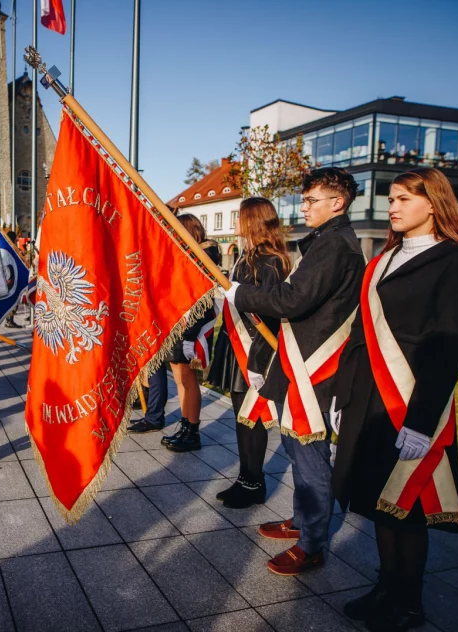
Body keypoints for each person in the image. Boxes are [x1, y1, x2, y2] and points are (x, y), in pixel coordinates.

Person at [332, 168, 458, 632]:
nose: (392, 206)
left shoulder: (457, 261)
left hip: (410, 399)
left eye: (402, 198)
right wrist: (343, 394)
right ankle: (385, 588)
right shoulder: (384, 258)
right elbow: (360, 336)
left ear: (432, 204)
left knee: (408, 506)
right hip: (369, 398)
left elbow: (449, 346)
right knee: (378, 499)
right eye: (391, 198)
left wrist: (421, 421)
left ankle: (409, 602)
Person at [223, 167, 365, 575]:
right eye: (303, 200)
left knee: (310, 456)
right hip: (300, 362)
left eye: (311, 200)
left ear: (337, 202)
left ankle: (312, 544)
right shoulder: (326, 240)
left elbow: (292, 299)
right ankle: (303, 521)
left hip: (315, 366)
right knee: (298, 450)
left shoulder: (335, 244)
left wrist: (239, 293)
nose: (303, 207)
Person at [211, 198, 288, 508]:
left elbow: (271, 312)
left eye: (240, 217)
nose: (235, 223)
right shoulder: (246, 258)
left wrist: (258, 361)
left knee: (251, 417)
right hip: (236, 346)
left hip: (255, 351)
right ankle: (246, 477)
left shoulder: (271, 261)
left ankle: (253, 482)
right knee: (242, 417)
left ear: (254, 221)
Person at [155, 214, 220, 452]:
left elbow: (200, 300)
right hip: (178, 325)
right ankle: (185, 425)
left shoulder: (202, 258)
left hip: (189, 328)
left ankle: (192, 431)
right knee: (180, 380)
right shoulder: (189, 257)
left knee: (188, 380)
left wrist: (190, 336)